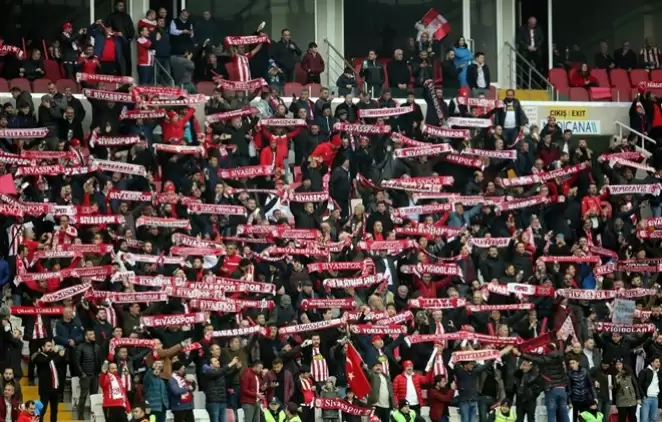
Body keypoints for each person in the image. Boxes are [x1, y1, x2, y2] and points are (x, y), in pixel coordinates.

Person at [203, 356, 241, 422]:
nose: (218, 361)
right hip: (213, 402)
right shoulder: (208, 373)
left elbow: (229, 377)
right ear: (211, 365)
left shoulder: (220, 372)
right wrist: (231, 363)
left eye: (218, 360)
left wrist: (236, 369)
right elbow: (219, 372)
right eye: (215, 361)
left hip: (222, 401)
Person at [638, 357, 661, 422]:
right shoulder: (644, 371)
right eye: (657, 362)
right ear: (652, 363)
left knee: (653, 419)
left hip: (655, 398)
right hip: (646, 398)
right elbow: (639, 384)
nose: (659, 363)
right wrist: (643, 396)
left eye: (659, 362)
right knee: (644, 419)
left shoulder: (659, 373)